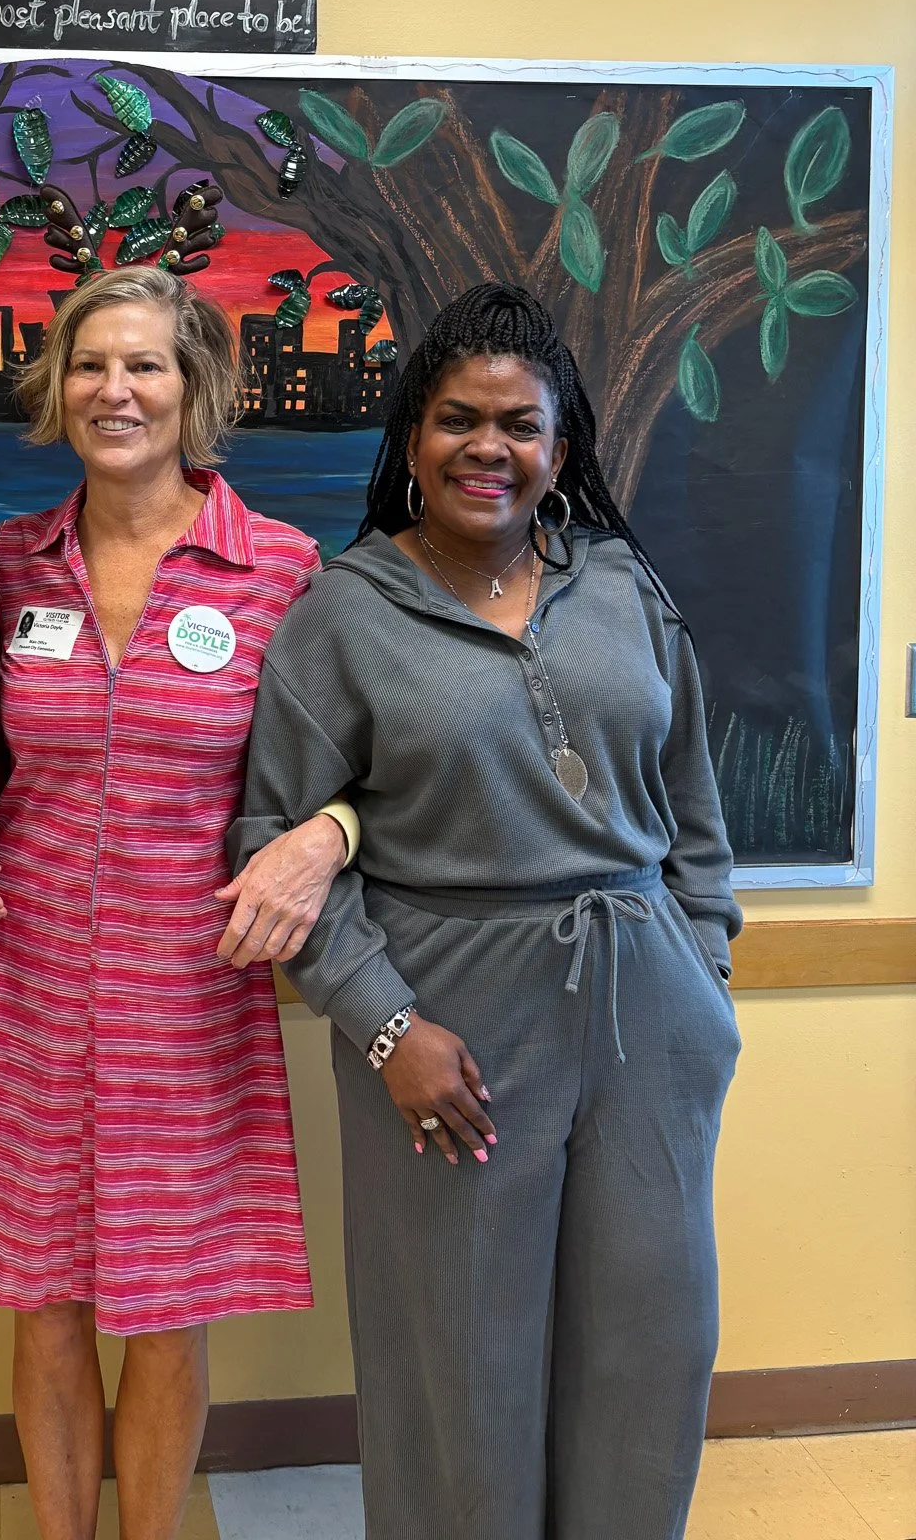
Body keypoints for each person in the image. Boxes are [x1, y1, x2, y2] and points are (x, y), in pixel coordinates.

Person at [230, 281, 743, 1540]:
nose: (489, 446)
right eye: (459, 418)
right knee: (460, 1359)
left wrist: (706, 977)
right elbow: (275, 839)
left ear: (559, 448)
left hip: (647, 1019)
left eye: (520, 423)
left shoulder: (624, 587)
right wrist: (388, 1028)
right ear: (411, 437)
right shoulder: (344, 614)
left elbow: (693, 806)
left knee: (647, 1352)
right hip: (445, 1028)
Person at [0, 264, 355, 1540]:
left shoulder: (279, 568)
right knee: (43, 1301)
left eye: (147, 363)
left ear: (197, 386)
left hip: (190, 992)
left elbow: (383, 756)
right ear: (58, 387)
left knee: (166, 1308)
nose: (118, 388)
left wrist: (327, 835)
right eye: (92, 363)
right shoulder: (12, 561)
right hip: (25, 984)